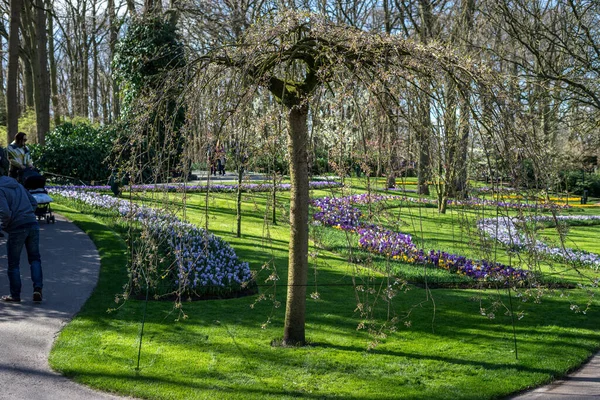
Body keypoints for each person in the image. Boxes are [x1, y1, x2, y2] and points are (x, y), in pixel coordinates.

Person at [0, 165, 42, 303]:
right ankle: (37, 289)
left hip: (17, 227)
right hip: (32, 224)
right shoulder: (17, 185)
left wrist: (4, 226)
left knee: (13, 264)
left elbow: (5, 213)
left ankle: (15, 295)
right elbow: (33, 202)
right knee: (35, 259)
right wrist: (28, 214)